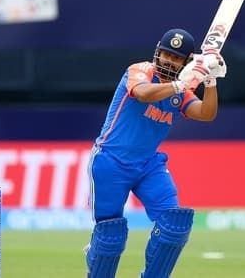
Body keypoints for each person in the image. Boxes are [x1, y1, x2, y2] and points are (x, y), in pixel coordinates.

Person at [84, 28, 227, 277]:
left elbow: (206, 113)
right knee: (110, 237)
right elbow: (141, 94)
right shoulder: (140, 70)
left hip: (149, 165)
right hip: (111, 161)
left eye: (175, 58)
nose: (168, 60)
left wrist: (210, 81)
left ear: (186, 61)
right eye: (165, 54)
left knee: (175, 224)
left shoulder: (181, 92)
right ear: (157, 52)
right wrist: (179, 84)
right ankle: (95, 253)